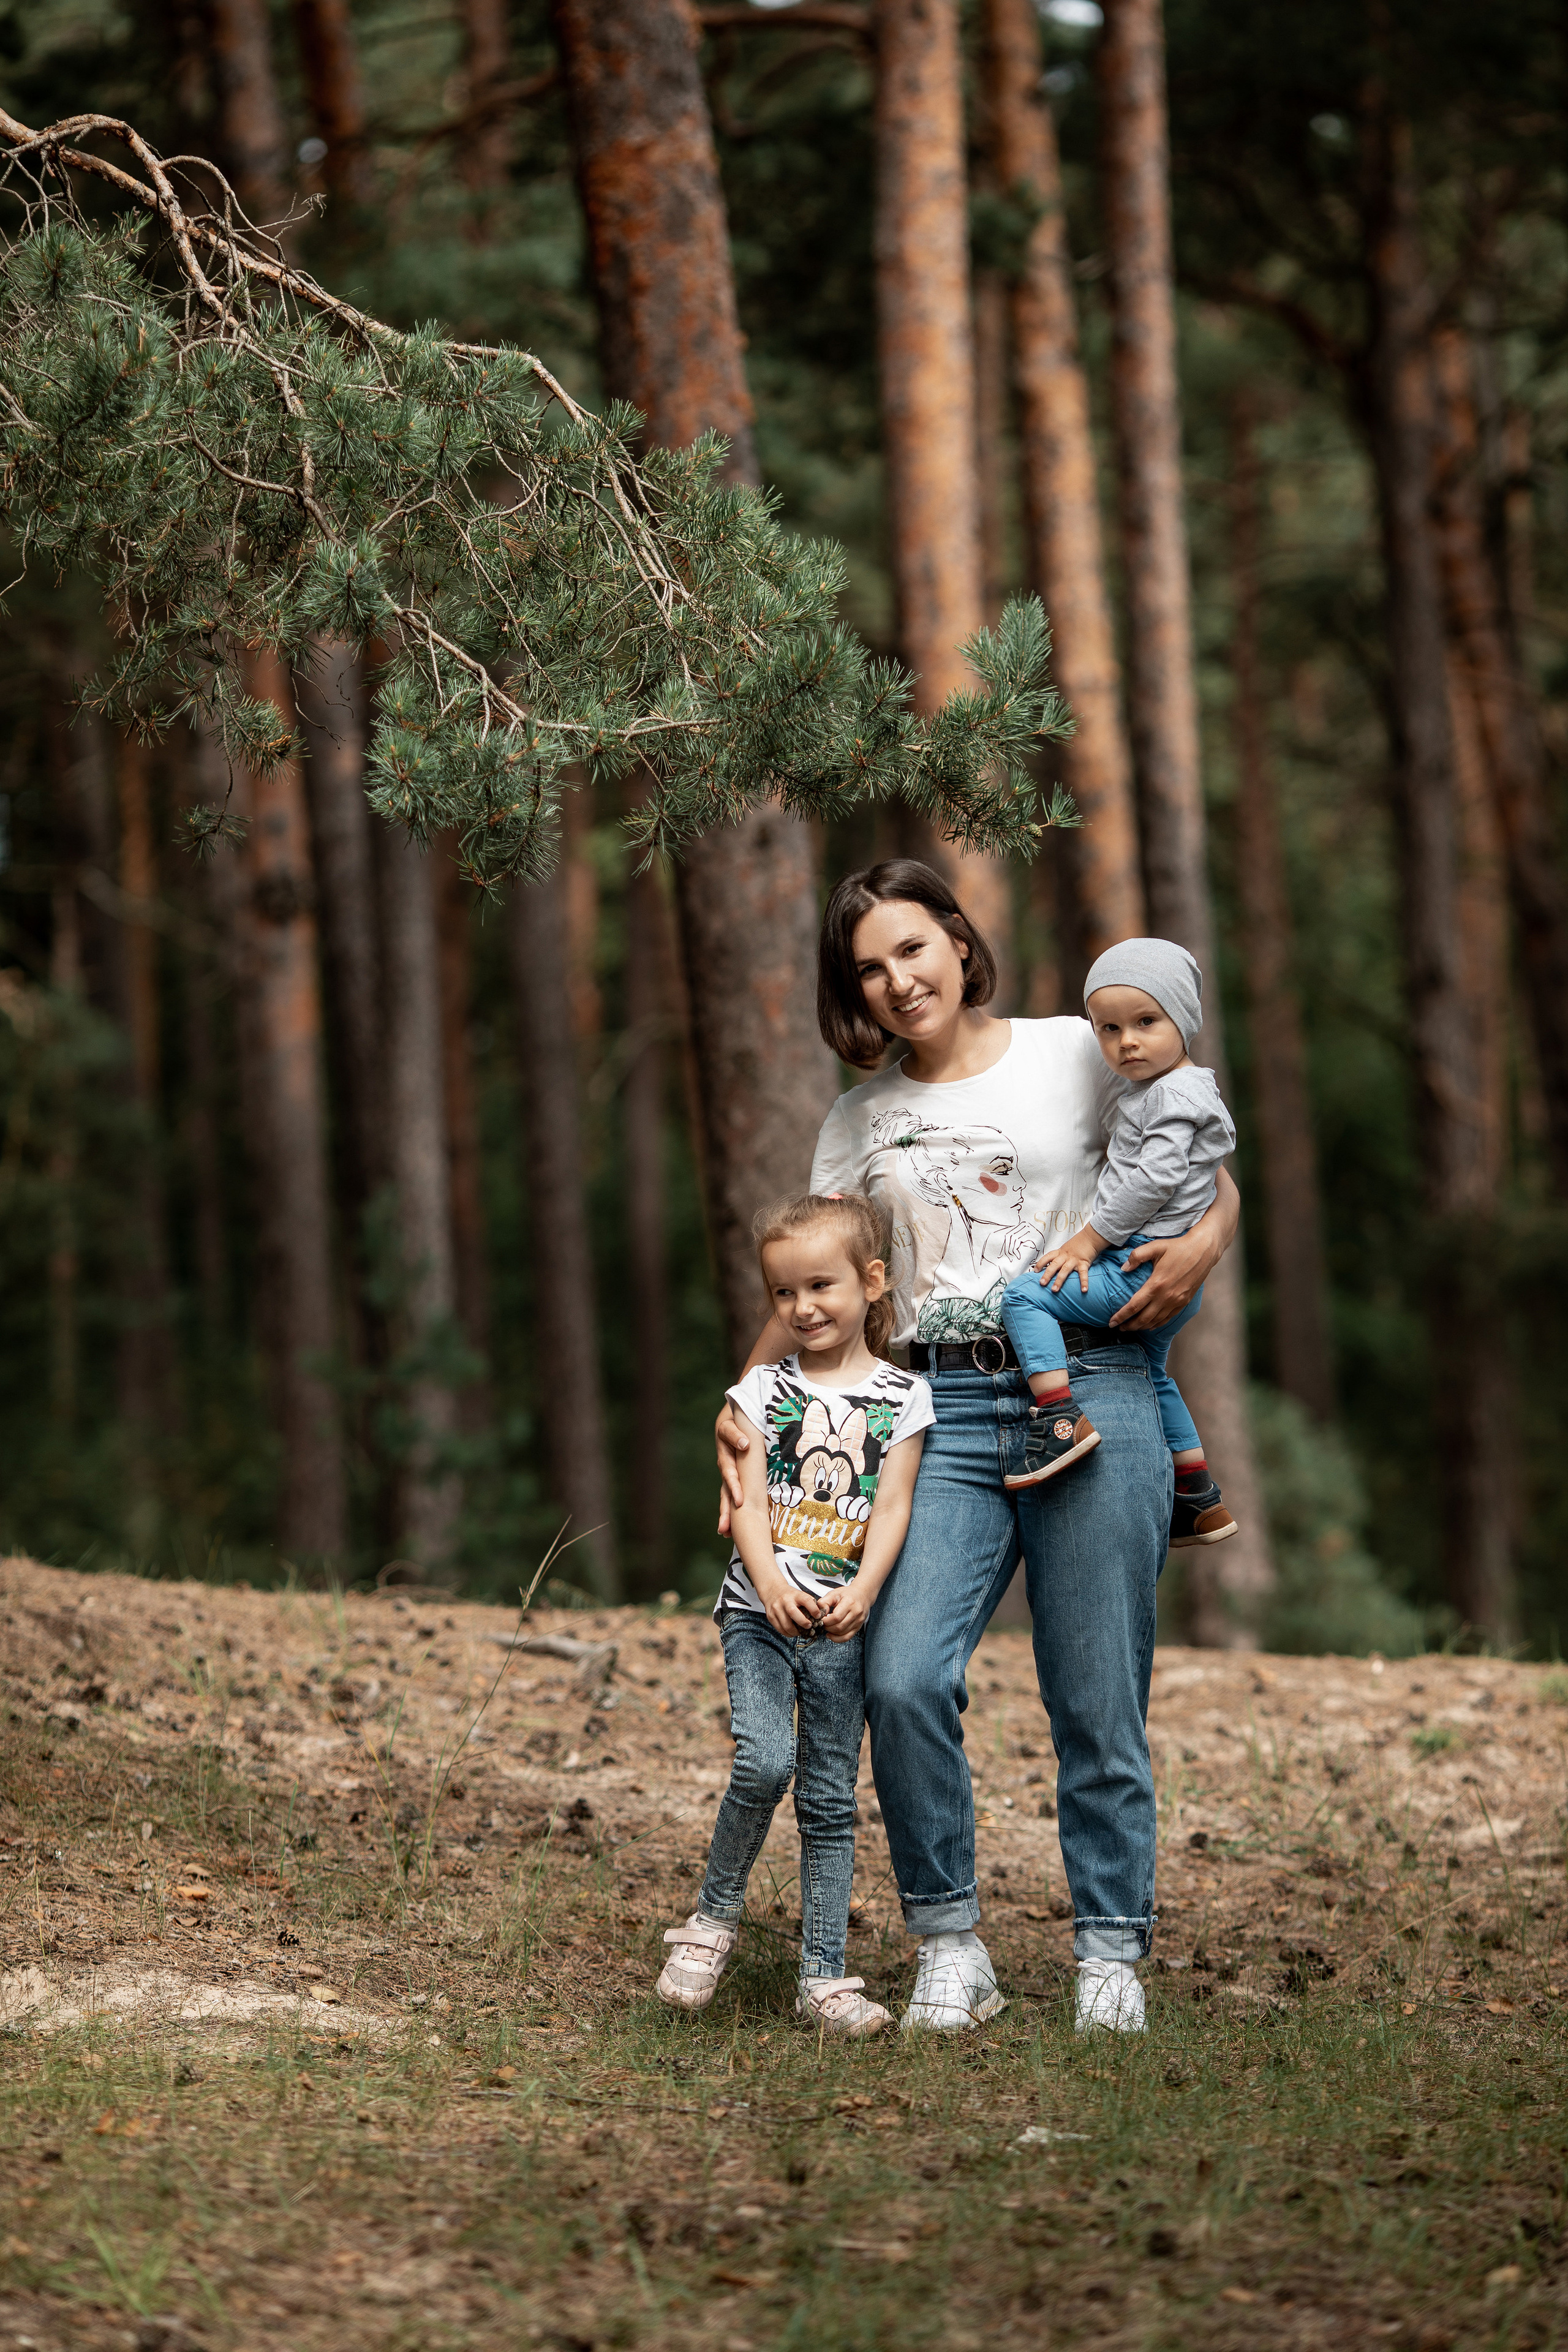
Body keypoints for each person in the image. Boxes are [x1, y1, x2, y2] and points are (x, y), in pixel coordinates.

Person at [714, 861, 1242, 2036]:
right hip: (936, 1413)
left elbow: (1193, 1156)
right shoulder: (858, 1120)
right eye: (868, 967)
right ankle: (951, 1944)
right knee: (902, 1678)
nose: (898, 981)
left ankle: (1111, 1953)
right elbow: (819, 1280)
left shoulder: (1074, 1050)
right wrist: (748, 1399)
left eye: (913, 948)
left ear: (957, 939)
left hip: (1092, 1392)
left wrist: (1213, 1237)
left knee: (1097, 1694)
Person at [658, 1191, 932, 2035]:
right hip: (760, 1616)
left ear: (873, 1282)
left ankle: (822, 1976)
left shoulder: (905, 1398)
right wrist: (768, 1577)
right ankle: (710, 1923)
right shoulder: (761, 1389)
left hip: (843, 1628)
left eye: (822, 1286)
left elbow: (892, 1507)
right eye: (783, 1294)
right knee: (765, 1760)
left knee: (828, 1798)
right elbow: (741, 1495)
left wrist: (866, 1591)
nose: (803, 1308)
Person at [998, 938, 1239, 1550]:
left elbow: (1154, 1179)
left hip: (1139, 1266)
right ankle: (1197, 1496)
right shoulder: (1162, 1089)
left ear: (1182, 1021)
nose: (1126, 1042)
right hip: (1169, 1273)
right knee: (1154, 1374)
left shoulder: (1173, 1095)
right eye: (1108, 1029)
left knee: (1027, 1296)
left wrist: (1087, 1240)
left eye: (1146, 1022)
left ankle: (1057, 1418)